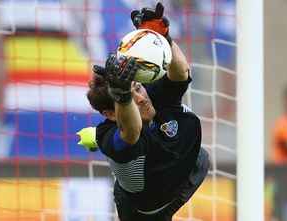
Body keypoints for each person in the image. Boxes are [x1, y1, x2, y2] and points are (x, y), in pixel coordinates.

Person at [77, 3, 209, 221]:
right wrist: (121, 94)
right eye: (130, 97)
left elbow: (180, 72)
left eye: (137, 88)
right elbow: (131, 131)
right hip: (144, 214)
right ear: (111, 114)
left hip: (192, 168)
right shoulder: (111, 135)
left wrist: (163, 37)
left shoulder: (151, 95)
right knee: (104, 139)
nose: (141, 97)